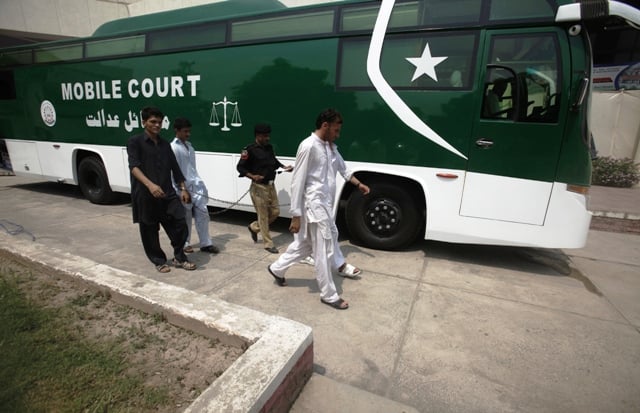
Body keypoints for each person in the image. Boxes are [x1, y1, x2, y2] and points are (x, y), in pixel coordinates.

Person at [267, 109, 370, 310]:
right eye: (336, 130)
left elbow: (343, 168)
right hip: (313, 206)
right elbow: (297, 182)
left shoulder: (331, 147)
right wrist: (296, 215)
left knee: (306, 245)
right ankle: (328, 294)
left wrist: (359, 184)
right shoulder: (308, 146)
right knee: (322, 249)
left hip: (324, 205)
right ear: (325, 125)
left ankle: (276, 268)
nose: (338, 134)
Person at [127, 106, 196, 273]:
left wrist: (183, 188)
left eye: (159, 122)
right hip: (145, 195)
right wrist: (150, 185)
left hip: (167, 193)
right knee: (150, 230)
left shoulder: (165, 145)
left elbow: (175, 168)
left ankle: (180, 257)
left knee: (180, 223)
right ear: (144, 122)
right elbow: (134, 167)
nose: (157, 125)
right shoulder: (135, 142)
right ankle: (158, 260)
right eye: (153, 122)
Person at [236, 123, 293, 254]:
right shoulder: (248, 150)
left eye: (268, 136)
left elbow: (274, 161)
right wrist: (252, 176)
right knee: (263, 216)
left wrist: (284, 167)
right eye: (265, 136)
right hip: (258, 187)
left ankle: (254, 227)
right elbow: (240, 167)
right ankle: (268, 243)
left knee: (276, 212)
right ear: (258, 136)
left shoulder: (269, 148)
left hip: (271, 185)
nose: (268, 138)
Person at [170, 117, 219, 254]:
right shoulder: (173, 148)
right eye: (185, 131)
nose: (188, 134)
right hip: (183, 188)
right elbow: (173, 171)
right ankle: (185, 243)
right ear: (177, 130)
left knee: (203, 215)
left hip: (196, 187)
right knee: (185, 217)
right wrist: (179, 190)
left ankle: (206, 243)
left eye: (189, 131)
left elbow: (192, 169)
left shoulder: (190, 147)